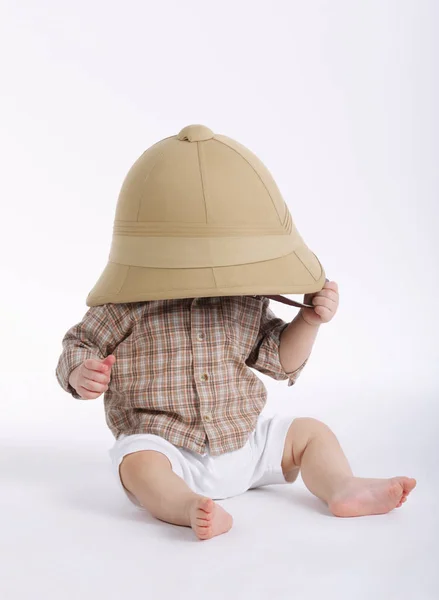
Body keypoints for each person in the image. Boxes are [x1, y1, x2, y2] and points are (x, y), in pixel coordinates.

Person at [55, 124, 416, 540]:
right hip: (169, 449)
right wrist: (82, 373)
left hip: (245, 443)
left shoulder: (243, 299)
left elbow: (281, 361)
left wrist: (309, 321)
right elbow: (78, 343)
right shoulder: (125, 304)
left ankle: (342, 486)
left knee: (311, 432)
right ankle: (186, 505)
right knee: (137, 463)